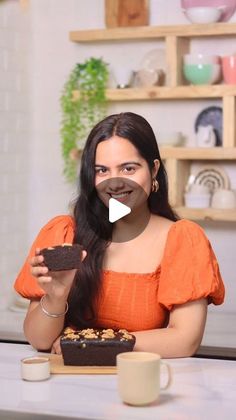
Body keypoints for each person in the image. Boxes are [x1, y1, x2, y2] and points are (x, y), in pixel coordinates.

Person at [14, 112, 225, 358]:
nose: (114, 183)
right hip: (68, 389)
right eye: (102, 170)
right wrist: (56, 297)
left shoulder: (183, 239)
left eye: (128, 168)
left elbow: (184, 340)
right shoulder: (64, 233)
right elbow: (39, 341)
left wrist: (93, 344)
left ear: (153, 170)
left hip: (142, 385)